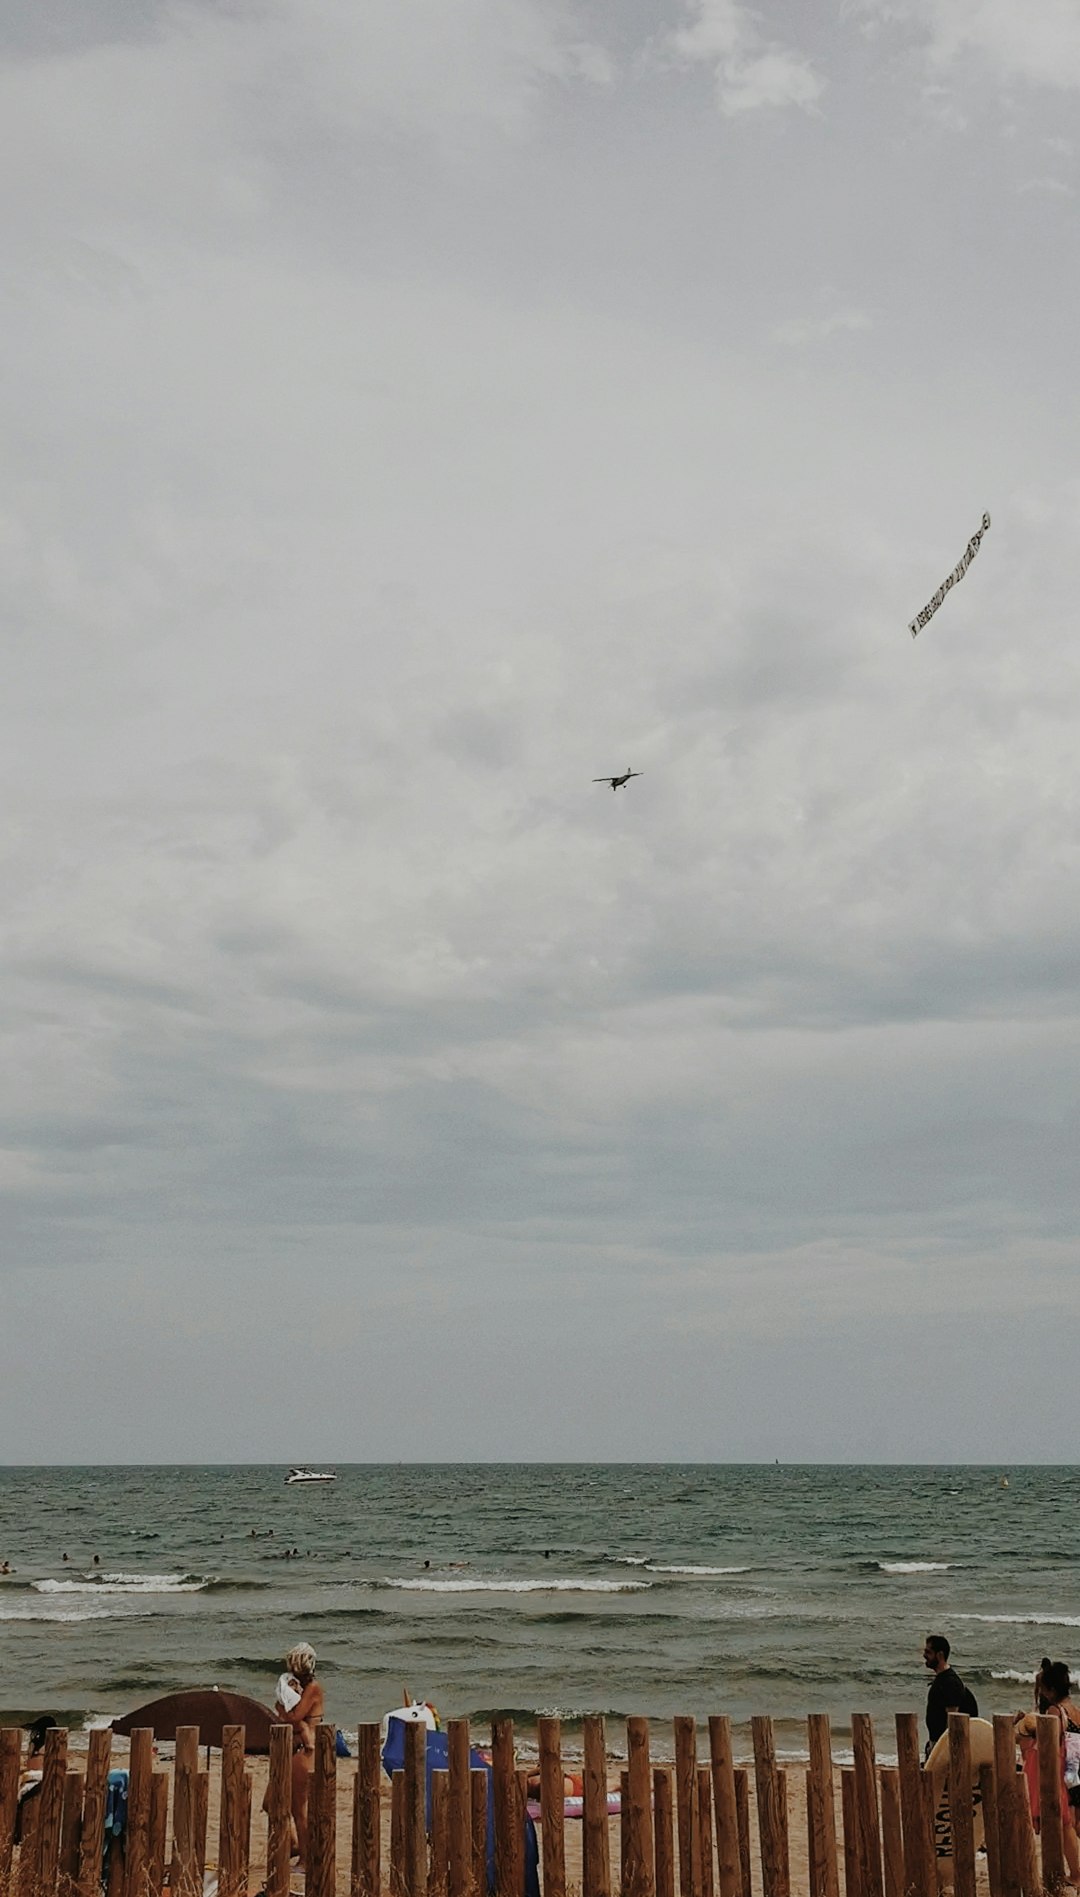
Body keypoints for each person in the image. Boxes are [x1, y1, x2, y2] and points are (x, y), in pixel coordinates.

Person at [1015, 1660, 1080, 1885]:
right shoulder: (1073, 1710)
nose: (1040, 1693)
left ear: (1051, 1690)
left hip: (1056, 1771)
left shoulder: (1054, 1711)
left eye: (1043, 1690)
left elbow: (1047, 1743)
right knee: (1067, 1823)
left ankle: (1075, 1872)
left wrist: (1023, 1729)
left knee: (1063, 1823)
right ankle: (1075, 1871)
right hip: (1072, 1769)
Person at [273, 1642, 324, 1868]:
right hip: (297, 1747)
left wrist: (282, 1709)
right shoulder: (301, 1688)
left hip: (306, 1751)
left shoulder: (313, 1688)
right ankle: (295, 1843)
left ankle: (305, 1858)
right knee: (272, 1800)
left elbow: (295, 1716)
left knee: (299, 1806)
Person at [923, 1634, 978, 1753]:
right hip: (938, 1742)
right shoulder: (943, 1679)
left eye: (928, 1652)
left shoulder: (950, 1682)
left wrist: (944, 1749)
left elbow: (953, 1720)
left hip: (945, 1746)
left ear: (940, 1655)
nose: (924, 1656)